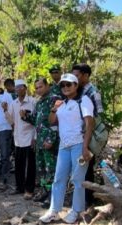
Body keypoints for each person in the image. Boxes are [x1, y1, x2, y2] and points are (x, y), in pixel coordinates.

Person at [40, 73, 94, 224]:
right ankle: (54, 211)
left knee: (77, 179)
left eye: (68, 84)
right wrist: (54, 109)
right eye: (62, 85)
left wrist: (85, 147)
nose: (65, 87)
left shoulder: (83, 100)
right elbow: (52, 122)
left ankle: (76, 211)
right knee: (59, 179)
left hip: (78, 144)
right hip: (64, 146)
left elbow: (90, 124)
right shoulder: (62, 103)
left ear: (76, 85)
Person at [22, 78, 60, 207]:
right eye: (36, 88)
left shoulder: (55, 99)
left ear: (47, 85)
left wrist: (50, 139)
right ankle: (44, 192)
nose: (38, 90)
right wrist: (25, 116)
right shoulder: (39, 103)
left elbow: (56, 121)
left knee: (51, 169)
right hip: (40, 142)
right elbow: (36, 121)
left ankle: (52, 197)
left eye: (40, 87)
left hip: (50, 142)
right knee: (42, 169)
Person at [72, 63, 104, 206]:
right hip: (77, 134)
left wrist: (88, 131)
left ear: (85, 75)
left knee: (88, 166)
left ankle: (89, 200)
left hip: (88, 135)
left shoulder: (93, 91)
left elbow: (98, 115)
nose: (75, 78)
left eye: (77, 75)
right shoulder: (76, 91)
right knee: (81, 167)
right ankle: (83, 198)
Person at [5, 80, 36, 199]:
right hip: (18, 138)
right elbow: (11, 121)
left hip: (30, 138)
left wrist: (35, 137)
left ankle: (29, 189)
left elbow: (36, 121)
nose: (18, 90)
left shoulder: (33, 102)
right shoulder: (13, 103)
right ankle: (19, 187)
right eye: (16, 88)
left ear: (25, 88)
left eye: (21, 87)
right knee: (19, 165)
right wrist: (5, 110)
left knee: (31, 166)